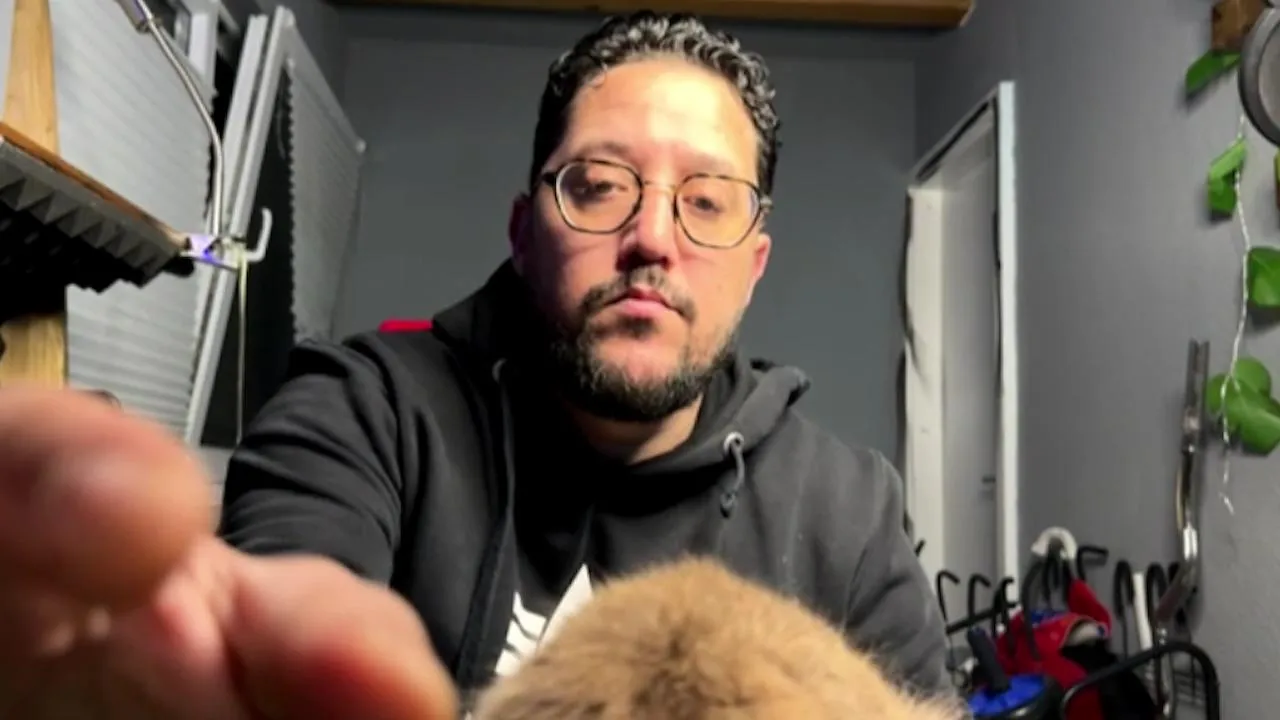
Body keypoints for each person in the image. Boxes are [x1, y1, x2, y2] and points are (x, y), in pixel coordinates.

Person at [0, 11, 947, 719]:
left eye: (705, 201)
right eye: (598, 185)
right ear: (524, 233)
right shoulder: (361, 413)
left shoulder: (850, 514)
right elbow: (289, 623)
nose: (652, 237)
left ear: (754, 264)